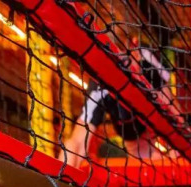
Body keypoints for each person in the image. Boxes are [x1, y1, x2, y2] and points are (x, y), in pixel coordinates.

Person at [58, 37, 173, 168]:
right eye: (115, 62)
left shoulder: (148, 64)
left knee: (168, 152)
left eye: (125, 61)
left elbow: (173, 111)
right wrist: (62, 174)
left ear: (135, 50)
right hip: (130, 132)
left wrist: (175, 150)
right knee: (143, 163)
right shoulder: (100, 84)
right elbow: (78, 140)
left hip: (149, 122)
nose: (122, 69)